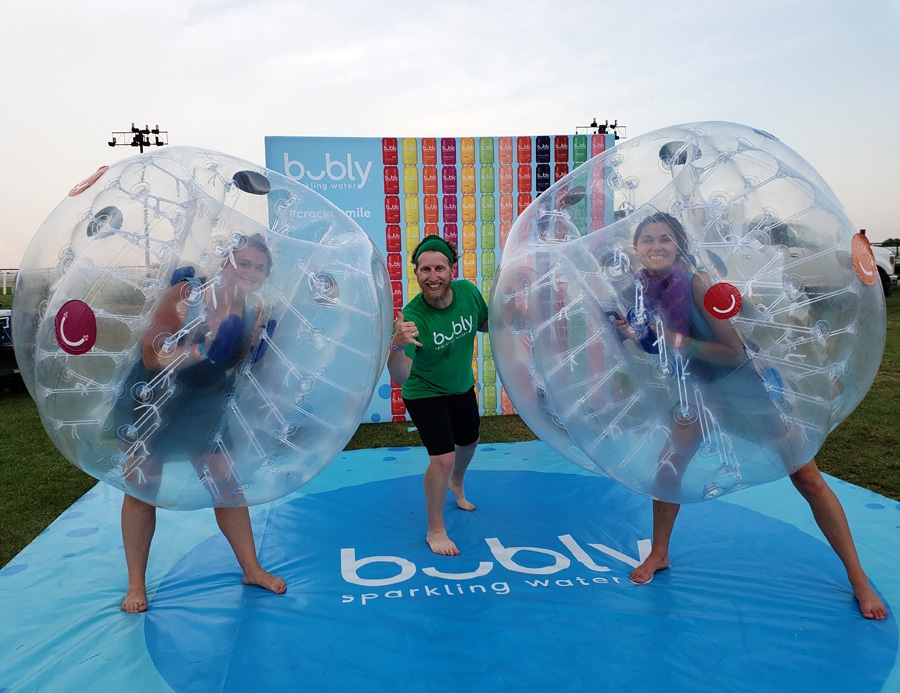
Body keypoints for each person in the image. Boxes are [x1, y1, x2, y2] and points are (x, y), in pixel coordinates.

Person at [615, 212, 887, 620]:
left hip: (747, 387)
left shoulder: (699, 282)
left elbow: (733, 352)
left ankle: (859, 579)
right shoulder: (645, 289)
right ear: (636, 248)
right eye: (647, 239)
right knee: (668, 471)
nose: (655, 245)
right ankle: (659, 554)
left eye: (665, 238)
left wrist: (676, 342)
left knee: (807, 478)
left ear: (680, 246)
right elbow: (667, 347)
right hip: (701, 390)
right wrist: (638, 337)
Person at [118, 232, 286, 612]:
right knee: (143, 486)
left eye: (259, 267)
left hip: (205, 400)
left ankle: (251, 569)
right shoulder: (187, 293)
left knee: (227, 483)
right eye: (243, 263)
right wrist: (202, 349)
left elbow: (234, 361)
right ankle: (135, 585)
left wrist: (254, 348)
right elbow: (150, 356)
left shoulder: (252, 307)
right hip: (157, 396)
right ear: (224, 262)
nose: (251, 271)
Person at [387, 235, 489, 556]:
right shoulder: (413, 317)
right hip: (424, 391)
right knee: (442, 459)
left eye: (439, 268)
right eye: (425, 270)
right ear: (416, 273)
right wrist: (397, 344)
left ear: (452, 270)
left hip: (460, 385)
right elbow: (399, 375)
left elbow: (486, 323)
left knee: (469, 442)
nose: (433, 277)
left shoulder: (469, 293)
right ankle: (435, 529)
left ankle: (456, 482)